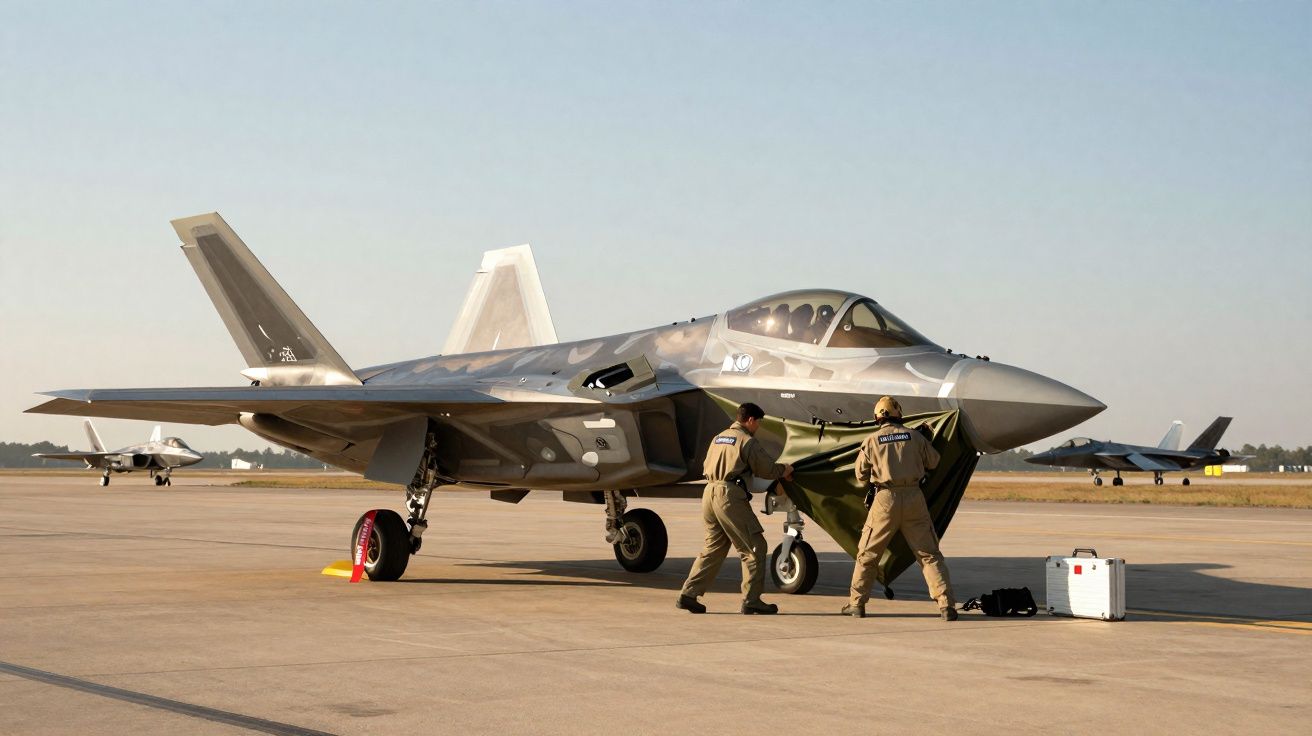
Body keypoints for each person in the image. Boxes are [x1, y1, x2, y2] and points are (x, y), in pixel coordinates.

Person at [843, 396, 958, 621]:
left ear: (877, 417)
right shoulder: (915, 437)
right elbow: (933, 462)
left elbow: (860, 475)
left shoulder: (871, 441)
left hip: (885, 500)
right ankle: (946, 605)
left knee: (868, 555)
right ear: (899, 415)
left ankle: (857, 604)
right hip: (914, 498)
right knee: (929, 555)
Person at [677, 402, 794, 615]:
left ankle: (688, 594)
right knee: (754, 546)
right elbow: (766, 469)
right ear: (750, 420)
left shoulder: (718, 437)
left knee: (713, 547)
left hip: (710, 492)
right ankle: (752, 600)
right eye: (758, 422)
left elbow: (706, 466)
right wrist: (784, 469)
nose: (758, 426)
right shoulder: (747, 441)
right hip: (728, 496)